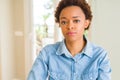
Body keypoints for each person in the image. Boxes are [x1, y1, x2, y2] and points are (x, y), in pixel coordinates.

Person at [27, 0, 111, 80]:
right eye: (64, 22)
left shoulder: (100, 55)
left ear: (86, 23)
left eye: (76, 21)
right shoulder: (47, 53)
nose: (70, 26)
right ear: (59, 24)